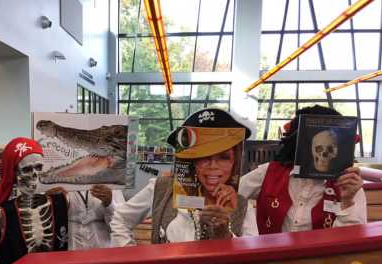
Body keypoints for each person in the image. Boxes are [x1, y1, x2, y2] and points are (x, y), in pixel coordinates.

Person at [110, 108, 251, 246]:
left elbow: (253, 255)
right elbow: (120, 218)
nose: (213, 165)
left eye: (223, 157)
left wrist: (227, 237)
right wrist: (131, 257)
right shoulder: (162, 189)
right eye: (203, 156)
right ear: (192, 161)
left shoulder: (243, 205)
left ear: (234, 162)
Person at [239, 105, 366, 235]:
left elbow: (351, 239)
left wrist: (347, 201)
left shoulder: (349, 184)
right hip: (268, 253)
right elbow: (233, 192)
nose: (323, 155)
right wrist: (245, 232)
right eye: (318, 148)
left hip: (323, 255)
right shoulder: (269, 172)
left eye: (331, 149)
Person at [67, 185, 125, 250]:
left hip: (104, 250)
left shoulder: (110, 182)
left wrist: (109, 204)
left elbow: (122, 226)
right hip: (69, 250)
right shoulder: (57, 183)